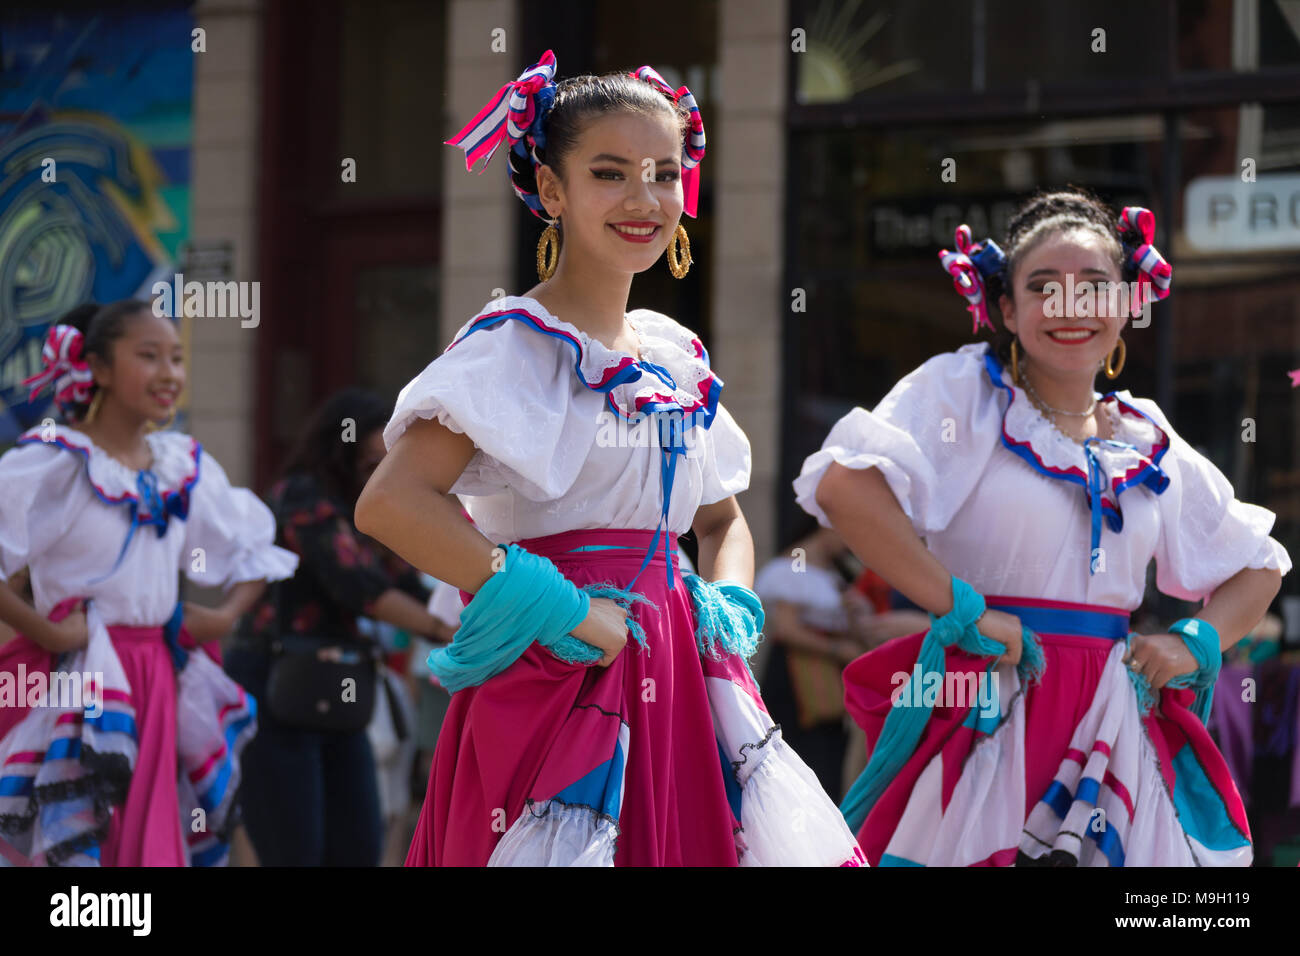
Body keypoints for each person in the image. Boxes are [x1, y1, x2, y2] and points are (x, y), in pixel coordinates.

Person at [356, 51, 863, 866]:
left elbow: (721, 514)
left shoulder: (676, 355)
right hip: (556, 673)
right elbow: (391, 503)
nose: (644, 199)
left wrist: (727, 606)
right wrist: (554, 604)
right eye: (610, 173)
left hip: (680, 675)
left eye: (664, 174)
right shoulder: (510, 349)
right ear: (550, 190)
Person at [795, 188, 1290, 866]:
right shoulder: (964, 391)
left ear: (1127, 303)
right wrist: (959, 605)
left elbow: (1258, 563)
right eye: (1042, 287)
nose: (1070, 307)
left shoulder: (1147, 434)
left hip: (1112, 720)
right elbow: (846, 486)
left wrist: (1195, 643)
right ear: (1005, 307)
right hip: (985, 699)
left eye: (1093, 287)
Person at [0, 300, 298, 866]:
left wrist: (226, 615)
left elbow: (254, 550)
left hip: (159, 675)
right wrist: (50, 632)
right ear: (99, 368)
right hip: (77, 681)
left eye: (178, 358)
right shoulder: (55, 463)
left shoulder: (180, 467)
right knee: (85, 837)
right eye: (149, 356)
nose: (169, 374)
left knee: (150, 841)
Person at [224, 387, 445, 866]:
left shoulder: (368, 508)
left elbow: (404, 577)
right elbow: (360, 586)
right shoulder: (302, 497)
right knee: (296, 850)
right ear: (337, 451)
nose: (378, 473)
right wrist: (442, 628)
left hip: (337, 690)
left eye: (386, 463)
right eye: (368, 463)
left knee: (359, 845)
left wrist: (476, 609)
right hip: (276, 687)